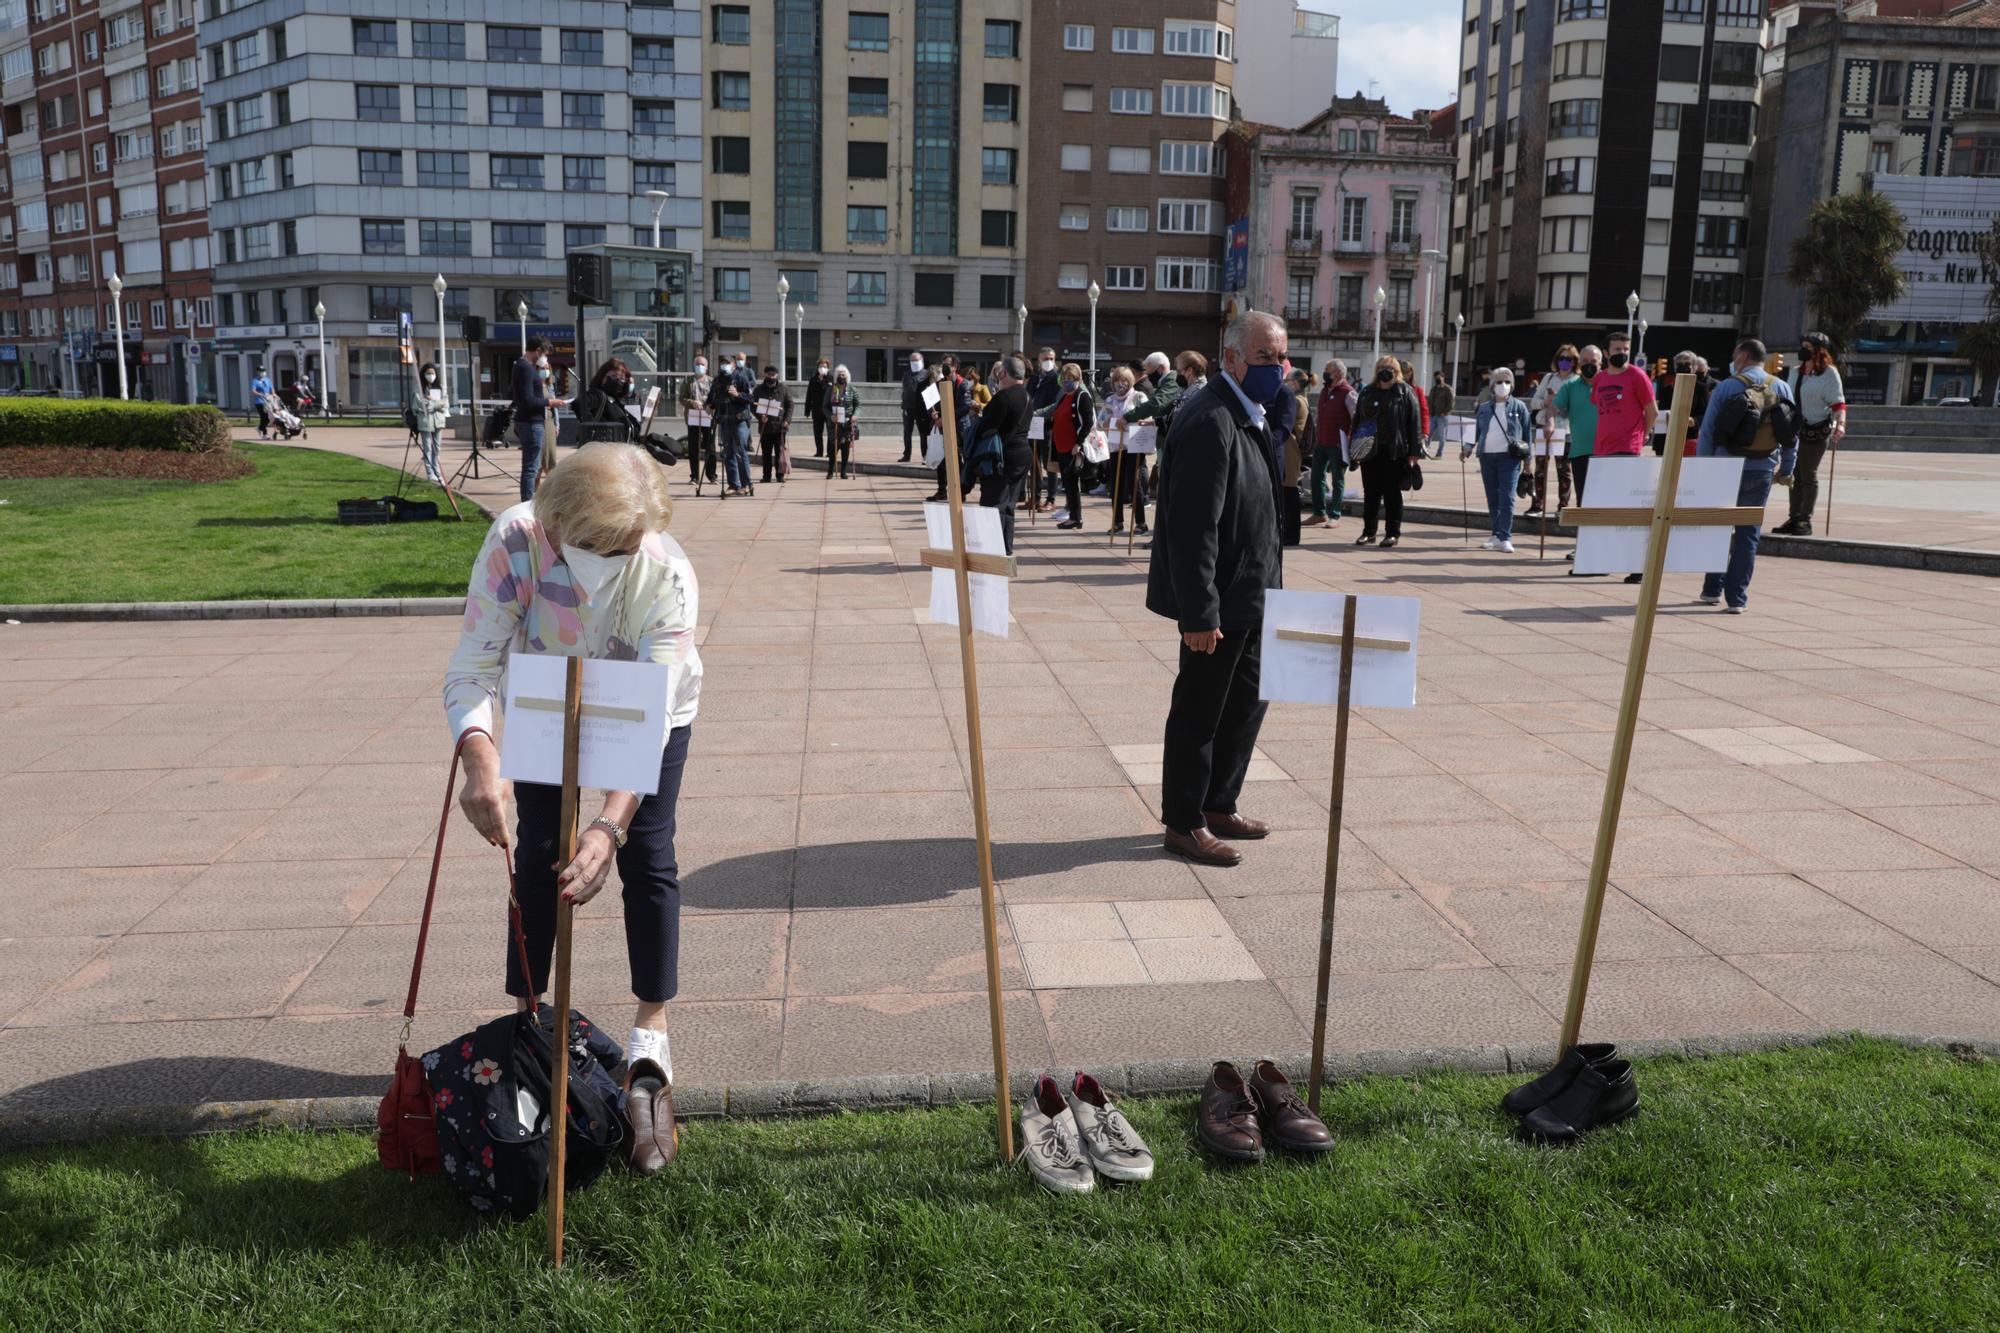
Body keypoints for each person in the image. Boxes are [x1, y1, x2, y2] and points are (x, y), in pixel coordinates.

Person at [444, 441, 702, 1176]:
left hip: (648, 704)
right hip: (545, 695)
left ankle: (650, 1045)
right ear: (562, 520)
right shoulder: (515, 541)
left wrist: (609, 824)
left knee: (648, 853)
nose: (625, 554)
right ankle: (530, 1029)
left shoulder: (667, 573)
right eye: (610, 543)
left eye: (633, 543)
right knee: (538, 855)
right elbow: (471, 665)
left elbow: (649, 722)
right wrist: (480, 761)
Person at [1147, 309, 1288, 868]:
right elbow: (1191, 526)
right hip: (1220, 602)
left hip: (1255, 594)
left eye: (1281, 357)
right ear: (1231, 358)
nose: (1278, 368)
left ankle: (1219, 802)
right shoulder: (1211, 418)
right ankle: (1184, 821)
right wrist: (1199, 612)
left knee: (1247, 702)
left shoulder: (1247, 411)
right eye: (1266, 358)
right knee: (1201, 710)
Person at [1695, 337, 1791, 614]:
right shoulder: (1781, 386)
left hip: (1726, 468)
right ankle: (1737, 599)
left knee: (1719, 529)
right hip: (1761, 469)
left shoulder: (1727, 386)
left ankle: (1712, 590)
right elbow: (1790, 432)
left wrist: (1704, 468)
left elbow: (1709, 431)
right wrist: (1787, 468)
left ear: (1744, 356)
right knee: (1748, 534)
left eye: (1736, 355)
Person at [1774, 331, 1846, 536]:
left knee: (1808, 474)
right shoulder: (1796, 372)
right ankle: (1794, 516)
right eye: (1802, 345)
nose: (1803, 350)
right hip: (1796, 430)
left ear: (1818, 351)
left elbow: (1838, 403)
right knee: (1793, 474)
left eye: (1808, 346)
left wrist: (1841, 424)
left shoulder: (1829, 374)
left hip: (1816, 430)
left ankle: (1805, 519)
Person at [1351, 356, 1422, 549]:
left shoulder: (1405, 392)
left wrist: (1414, 452)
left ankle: (1392, 533)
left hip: (1394, 451)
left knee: (1392, 493)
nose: (1385, 370)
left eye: (1390, 367)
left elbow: (1415, 422)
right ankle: (1369, 532)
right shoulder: (1367, 391)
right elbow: (1357, 421)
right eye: (1382, 367)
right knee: (1371, 493)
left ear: (1397, 371)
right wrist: (1354, 449)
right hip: (1369, 450)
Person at [965, 355, 1033, 554]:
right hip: (1021, 455)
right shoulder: (1027, 395)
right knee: (1008, 506)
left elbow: (987, 426)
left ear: (1003, 373)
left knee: (992, 505)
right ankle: (1005, 550)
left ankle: (992, 551)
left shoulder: (1004, 396)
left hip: (1001, 458)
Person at [1467, 365, 1531, 552]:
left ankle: (1505, 536)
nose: (1503, 385)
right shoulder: (1485, 408)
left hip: (1509, 458)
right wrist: (1467, 448)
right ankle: (1495, 534)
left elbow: (1527, 436)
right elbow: (1475, 432)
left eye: (1507, 381)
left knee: (1507, 497)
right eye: (1499, 382)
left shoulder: (1520, 407)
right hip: (1487, 457)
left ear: (1512, 385)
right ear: (1492, 385)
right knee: (1492, 498)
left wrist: (1528, 460)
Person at [1036, 361, 1094, 529]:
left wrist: (1078, 442)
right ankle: (1074, 516)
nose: (1068, 381)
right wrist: (1039, 425)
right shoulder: (1064, 396)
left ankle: (1076, 518)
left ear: (1078, 379)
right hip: (1061, 446)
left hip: (1072, 447)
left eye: (1071, 378)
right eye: (1065, 378)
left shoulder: (1082, 396)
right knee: (1068, 484)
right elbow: (1055, 418)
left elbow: (1088, 422)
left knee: (1071, 483)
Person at [511, 338, 567, 501]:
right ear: (537, 351)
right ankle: (528, 502)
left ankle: (528, 501)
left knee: (530, 467)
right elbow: (528, 400)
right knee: (532, 468)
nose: (545, 359)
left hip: (528, 421)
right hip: (531, 422)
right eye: (544, 355)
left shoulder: (521, 367)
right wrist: (550, 402)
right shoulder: (526, 369)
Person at [1527, 346, 1579, 518]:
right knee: (1540, 469)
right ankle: (1537, 505)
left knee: (1564, 470)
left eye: (1569, 359)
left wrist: (1561, 404)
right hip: (1544, 427)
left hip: (1566, 430)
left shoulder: (1577, 381)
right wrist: (1546, 402)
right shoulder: (1549, 378)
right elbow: (1534, 401)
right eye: (1562, 358)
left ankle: (1562, 506)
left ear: (1574, 362)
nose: (1565, 362)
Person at [1100, 366, 1150, 536]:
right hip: (1116, 446)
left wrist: (1137, 421)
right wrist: (1105, 423)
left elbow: (1148, 417)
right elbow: (1101, 420)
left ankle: (1141, 522)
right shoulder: (1110, 400)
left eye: (1124, 381)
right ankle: (1117, 521)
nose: (1120, 384)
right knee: (1115, 484)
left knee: (1133, 484)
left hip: (1134, 446)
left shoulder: (1139, 397)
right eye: (1117, 381)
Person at [1306, 359, 1354, 529]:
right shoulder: (1324, 390)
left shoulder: (1348, 392)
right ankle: (1319, 513)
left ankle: (1335, 515)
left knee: (1337, 481)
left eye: (1328, 370)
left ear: (1339, 373)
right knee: (1316, 478)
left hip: (1338, 445)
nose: (1325, 372)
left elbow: (1356, 418)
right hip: (1322, 443)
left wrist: (1351, 443)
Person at [705, 353, 755, 496]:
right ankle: (733, 485)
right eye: (722, 363)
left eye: (727, 363)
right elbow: (712, 397)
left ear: (733, 365)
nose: (724, 365)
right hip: (724, 420)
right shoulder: (717, 380)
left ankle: (745, 485)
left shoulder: (741, 378)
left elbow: (751, 398)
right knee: (728, 453)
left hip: (739, 420)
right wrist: (709, 405)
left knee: (741, 452)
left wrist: (738, 394)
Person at [1279, 368, 1312, 547]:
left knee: (1290, 492)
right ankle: (1289, 532)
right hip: (1290, 449)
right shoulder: (1301, 399)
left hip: (1290, 449)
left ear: (1295, 383)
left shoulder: (1297, 401)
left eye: (1288, 380)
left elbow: (1292, 425)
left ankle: (1291, 534)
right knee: (1288, 492)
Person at [1028, 346, 1063, 512]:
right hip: (1032, 425)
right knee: (1033, 463)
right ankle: (1034, 498)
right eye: (1046, 358)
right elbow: (1028, 397)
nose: (1049, 362)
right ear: (1039, 360)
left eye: (1052, 358)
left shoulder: (1057, 379)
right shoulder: (1035, 378)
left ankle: (1051, 499)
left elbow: (1056, 403)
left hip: (1047, 425)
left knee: (1049, 465)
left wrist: (1041, 414)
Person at [408, 361, 449, 485]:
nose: (431, 375)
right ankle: (430, 473)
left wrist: (433, 403)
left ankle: (437, 472)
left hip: (438, 422)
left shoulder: (440, 387)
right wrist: (436, 404)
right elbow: (419, 405)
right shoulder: (418, 388)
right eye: (428, 373)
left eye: (433, 373)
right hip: (426, 422)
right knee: (427, 448)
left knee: (436, 448)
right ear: (423, 374)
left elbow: (445, 404)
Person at [752, 363, 793, 484]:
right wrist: (760, 417)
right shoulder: (758, 389)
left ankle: (780, 475)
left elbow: (790, 404)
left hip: (780, 426)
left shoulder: (783, 389)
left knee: (780, 452)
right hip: (765, 426)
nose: (771, 377)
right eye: (769, 375)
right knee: (766, 453)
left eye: (773, 375)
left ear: (777, 375)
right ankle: (766, 476)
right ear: (765, 375)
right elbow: (753, 406)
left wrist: (787, 420)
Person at [680, 355, 717, 488]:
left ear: (706, 367)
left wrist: (710, 405)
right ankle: (694, 476)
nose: (699, 366)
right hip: (693, 417)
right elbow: (682, 398)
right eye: (697, 364)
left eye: (702, 364)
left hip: (708, 416)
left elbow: (716, 398)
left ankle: (712, 475)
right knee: (693, 447)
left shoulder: (712, 381)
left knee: (710, 447)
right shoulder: (688, 380)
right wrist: (692, 402)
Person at [825, 366, 858, 479]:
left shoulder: (852, 389)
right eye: (839, 374)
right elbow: (825, 407)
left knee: (845, 448)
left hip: (847, 422)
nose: (841, 376)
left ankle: (843, 471)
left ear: (847, 376)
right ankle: (830, 471)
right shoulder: (831, 389)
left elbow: (858, 404)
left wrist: (855, 415)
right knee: (833, 447)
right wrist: (830, 416)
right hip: (834, 422)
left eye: (843, 374)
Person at [900, 352, 929, 462]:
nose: (914, 362)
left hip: (921, 408)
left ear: (921, 360)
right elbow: (905, 390)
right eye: (912, 360)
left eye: (916, 360)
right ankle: (907, 455)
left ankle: (925, 455)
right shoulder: (907, 374)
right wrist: (904, 406)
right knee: (907, 432)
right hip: (908, 408)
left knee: (923, 433)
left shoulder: (926, 374)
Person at [805, 357, 831, 457]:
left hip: (829, 411)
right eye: (821, 366)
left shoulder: (831, 379)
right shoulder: (813, 380)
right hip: (816, 410)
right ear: (817, 368)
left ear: (828, 368)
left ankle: (830, 452)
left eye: (824, 366)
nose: (822, 368)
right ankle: (819, 451)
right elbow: (809, 395)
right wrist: (807, 410)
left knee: (830, 432)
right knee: (817, 433)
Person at [1428, 371, 1456, 460]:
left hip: (1442, 416)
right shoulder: (1433, 389)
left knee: (1441, 435)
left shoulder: (1448, 389)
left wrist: (1445, 412)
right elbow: (1429, 401)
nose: (1437, 379)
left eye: (1439, 377)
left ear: (1443, 377)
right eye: (1436, 377)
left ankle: (1439, 454)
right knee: (1428, 433)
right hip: (1433, 415)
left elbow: (1451, 402)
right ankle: (1424, 451)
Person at [250, 366, 274, 437]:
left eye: (263, 371)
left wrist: (273, 394)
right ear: (257, 372)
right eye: (261, 371)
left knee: (269, 418)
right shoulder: (255, 381)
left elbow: (271, 389)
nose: (262, 373)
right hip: (259, 402)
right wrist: (260, 394)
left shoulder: (268, 380)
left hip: (268, 401)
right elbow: (253, 391)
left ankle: (259, 428)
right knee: (263, 417)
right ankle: (264, 433)